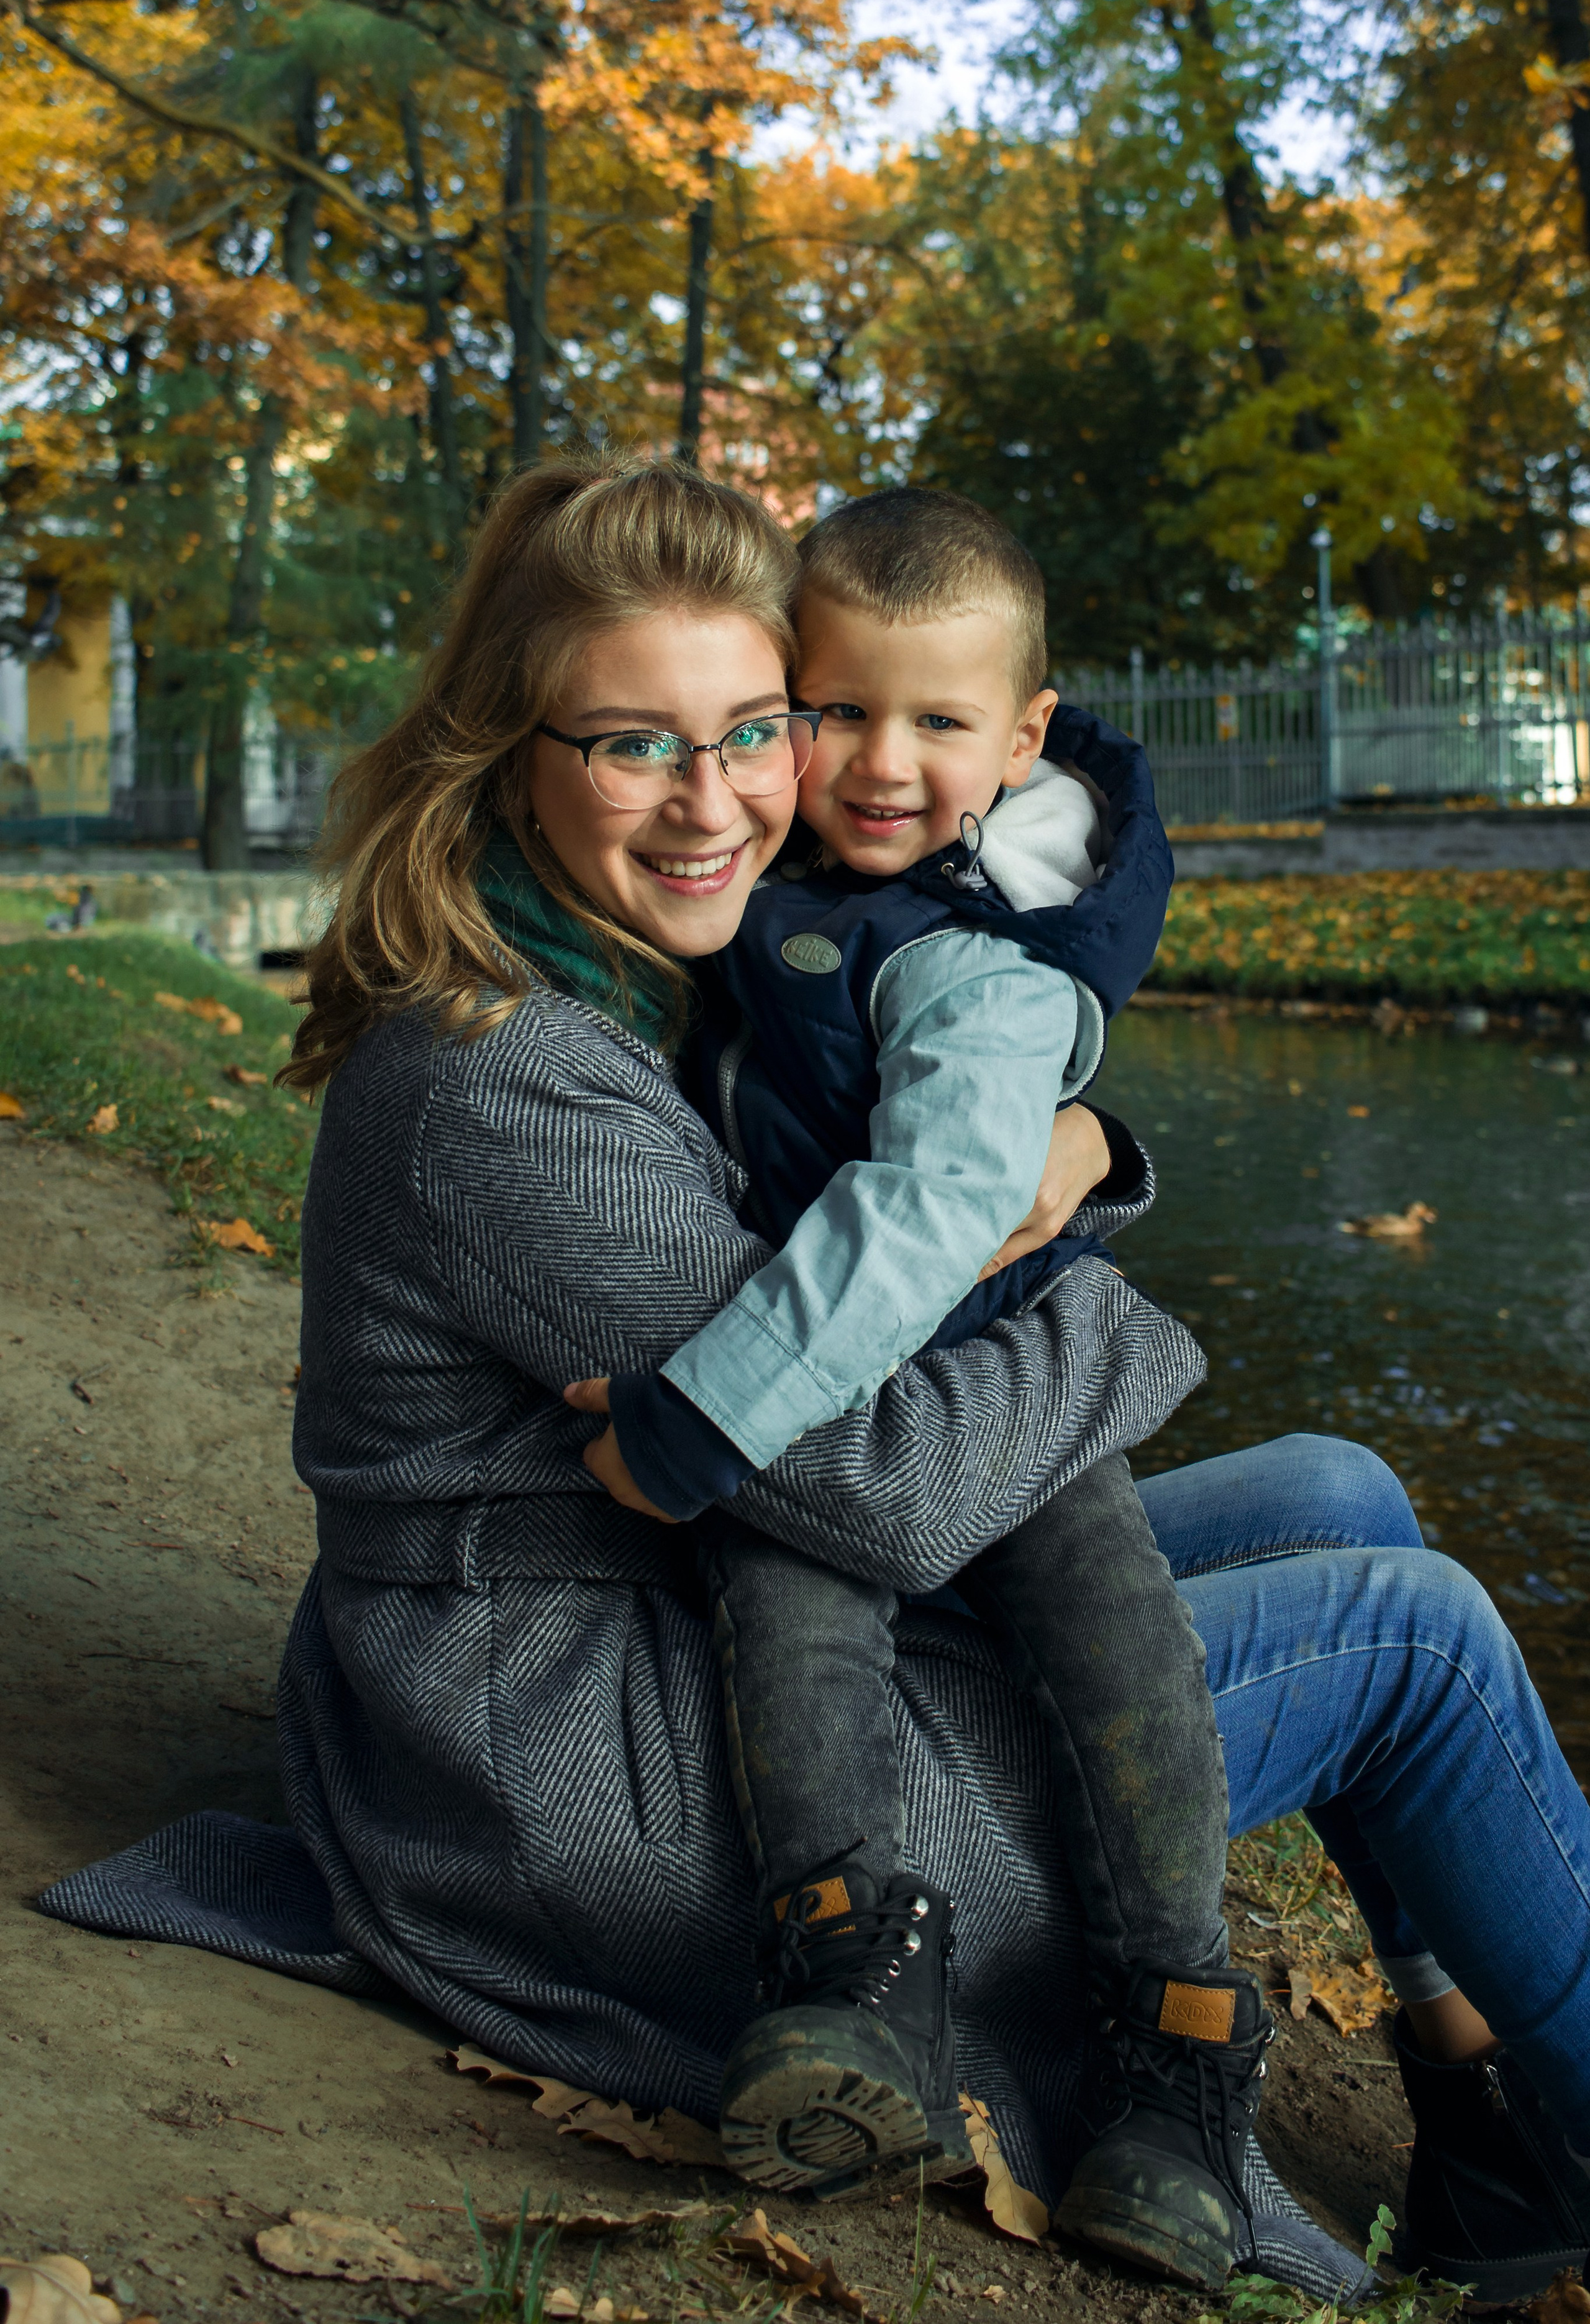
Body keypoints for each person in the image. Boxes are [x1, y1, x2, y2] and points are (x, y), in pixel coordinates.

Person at [38, 452, 1590, 2310]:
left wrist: (1080, 1136)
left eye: (755, 726)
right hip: (598, 1771)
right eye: (634, 744)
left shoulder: (668, 966)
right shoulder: (502, 1075)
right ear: (507, 749)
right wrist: (1093, 1283)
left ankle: (1481, 2089)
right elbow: (886, 1485)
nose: (719, 802)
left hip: (700, 1621)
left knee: (1341, 1484)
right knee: (1411, 1641)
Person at [561, 488, 1254, 2284]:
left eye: (940, 724)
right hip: (842, 1396)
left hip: (994, 1384)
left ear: (1023, 741)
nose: (879, 764)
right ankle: (848, 1969)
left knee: (1116, 1634)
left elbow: (938, 1198)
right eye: (837, 708)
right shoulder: (776, 881)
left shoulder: (986, 957)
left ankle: (1176, 2043)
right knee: (794, 1612)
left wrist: (698, 1416)